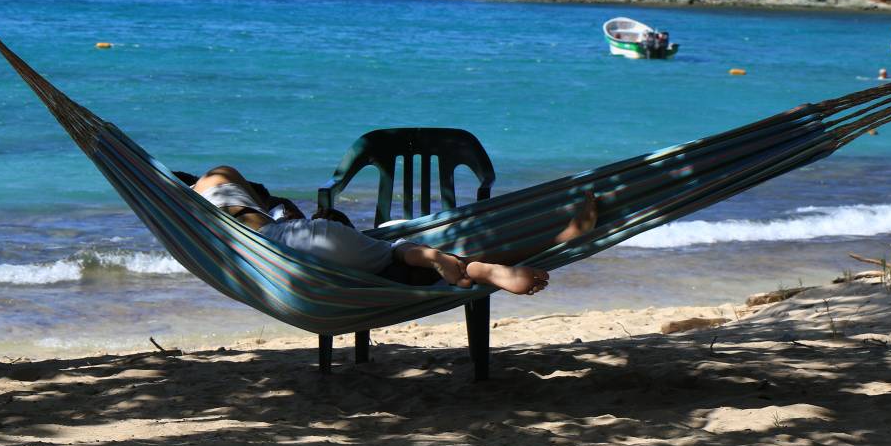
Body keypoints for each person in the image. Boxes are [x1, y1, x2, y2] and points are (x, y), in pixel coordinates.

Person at [188, 165, 598, 296]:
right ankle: (465, 263)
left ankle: (461, 264)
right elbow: (243, 185)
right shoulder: (216, 180)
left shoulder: (208, 220)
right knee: (397, 251)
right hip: (322, 242)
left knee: (395, 255)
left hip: (296, 258)